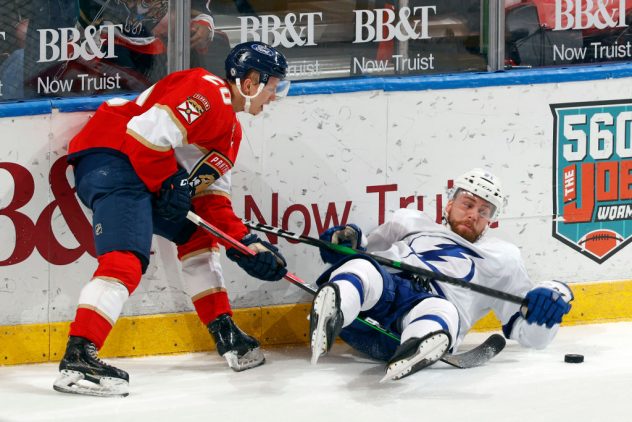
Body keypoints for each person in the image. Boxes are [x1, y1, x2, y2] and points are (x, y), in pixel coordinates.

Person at [53, 41, 291, 397]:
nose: (274, 98)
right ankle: (78, 358)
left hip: (142, 172)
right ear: (251, 80)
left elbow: (211, 203)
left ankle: (225, 332)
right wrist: (170, 180)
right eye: (273, 87)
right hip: (114, 157)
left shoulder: (230, 135)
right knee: (125, 261)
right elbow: (143, 135)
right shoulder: (207, 90)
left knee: (197, 238)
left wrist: (245, 244)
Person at [309, 168, 573, 382]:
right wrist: (344, 241)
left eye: (484, 212)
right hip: (381, 294)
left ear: (491, 220)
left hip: (427, 307)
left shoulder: (503, 258)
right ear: (448, 204)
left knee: (441, 310)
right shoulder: (410, 221)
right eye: (467, 204)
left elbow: (533, 338)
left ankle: (417, 346)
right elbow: (361, 250)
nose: (473, 215)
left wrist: (549, 308)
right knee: (363, 268)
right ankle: (334, 310)